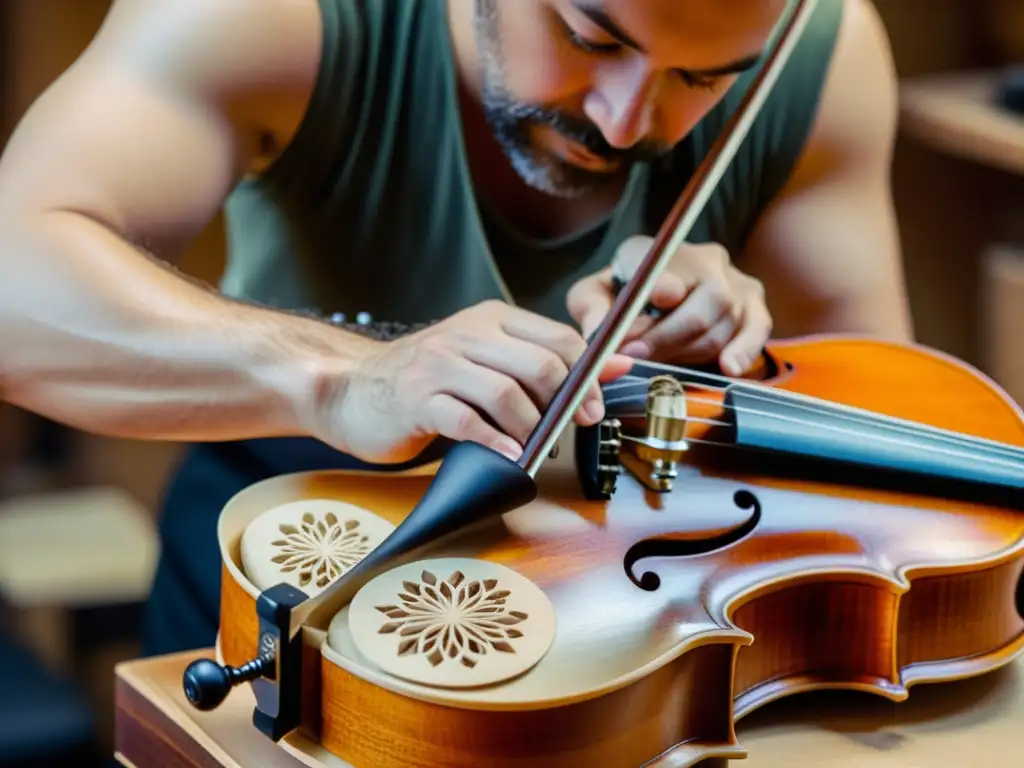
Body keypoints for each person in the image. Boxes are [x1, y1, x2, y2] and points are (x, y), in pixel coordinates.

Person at [0, 0, 913, 657]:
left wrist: (744, 363)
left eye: (705, 78)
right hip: (297, 550)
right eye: (591, 35)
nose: (624, 120)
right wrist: (342, 380)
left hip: (617, 611)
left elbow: (899, 443)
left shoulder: (824, 49)